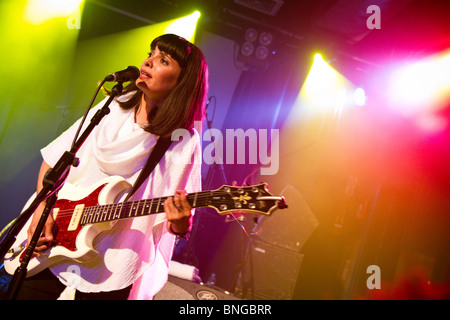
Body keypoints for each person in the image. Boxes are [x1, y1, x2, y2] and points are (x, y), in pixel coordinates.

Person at [16, 34, 208, 300]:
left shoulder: (182, 140)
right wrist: (40, 211)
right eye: (151, 53)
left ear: (182, 82)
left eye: (163, 60)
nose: (149, 61)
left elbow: (176, 218)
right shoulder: (113, 106)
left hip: (117, 257)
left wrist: (181, 223)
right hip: (54, 235)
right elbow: (54, 160)